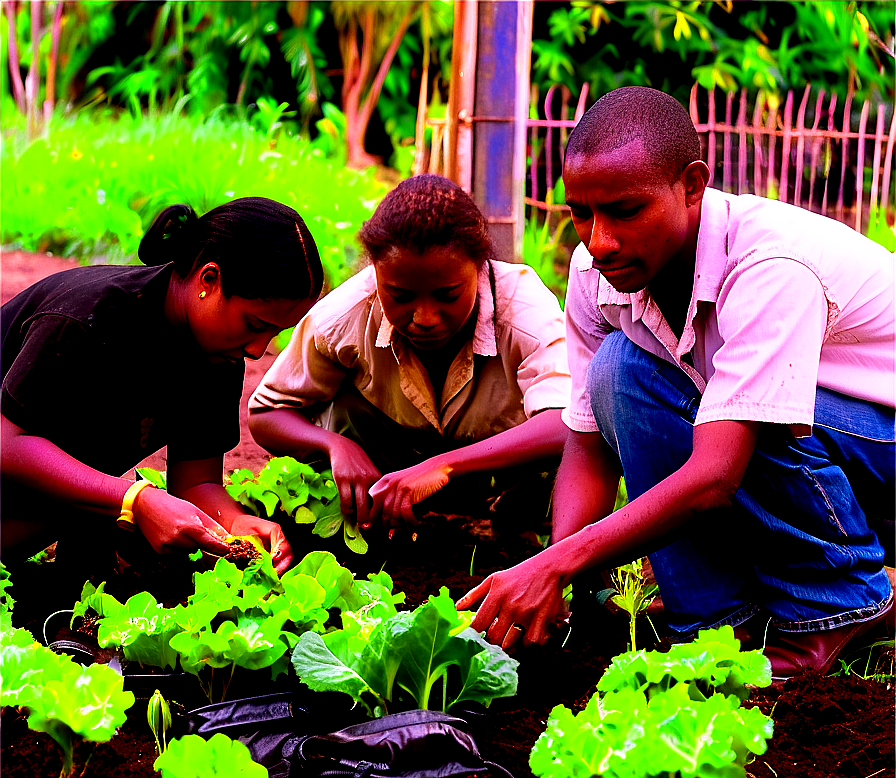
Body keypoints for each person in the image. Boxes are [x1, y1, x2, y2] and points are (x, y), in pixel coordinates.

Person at [458, 86, 895, 680]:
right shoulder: (597, 275)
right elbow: (586, 442)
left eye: (626, 210)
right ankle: (719, 627)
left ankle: (832, 605)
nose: (599, 239)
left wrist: (556, 567)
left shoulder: (770, 268)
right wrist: (562, 572)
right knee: (622, 371)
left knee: (750, 410)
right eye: (581, 213)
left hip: (880, 448)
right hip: (823, 453)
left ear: (692, 185)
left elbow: (715, 477)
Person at [1, 197, 324, 578]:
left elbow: (196, 481)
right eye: (255, 325)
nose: (257, 350)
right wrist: (133, 500)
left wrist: (236, 525)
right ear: (209, 279)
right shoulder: (88, 321)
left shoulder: (218, 352)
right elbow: (8, 442)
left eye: (275, 333)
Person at [248, 174, 571, 532]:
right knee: (344, 408)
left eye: (448, 295)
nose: (424, 318)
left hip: (499, 480)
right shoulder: (345, 315)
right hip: (385, 484)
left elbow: (565, 423)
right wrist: (335, 446)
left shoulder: (522, 309)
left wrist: (446, 465)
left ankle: (521, 529)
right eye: (400, 297)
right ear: (375, 272)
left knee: (568, 459)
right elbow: (267, 414)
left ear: (479, 269)